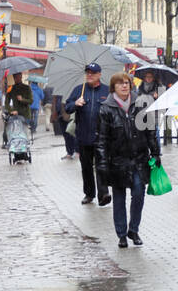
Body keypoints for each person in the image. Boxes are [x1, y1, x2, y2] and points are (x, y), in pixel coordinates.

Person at [95, 73, 160, 248]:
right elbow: (101, 139)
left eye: (126, 83)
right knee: (119, 198)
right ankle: (122, 234)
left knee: (139, 194)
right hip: (117, 161)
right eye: (120, 84)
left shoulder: (141, 104)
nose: (124, 86)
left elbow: (150, 130)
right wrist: (101, 163)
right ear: (113, 87)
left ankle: (134, 229)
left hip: (139, 158)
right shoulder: (106, 108)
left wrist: (155, 153)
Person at [65, 63, 110, 205]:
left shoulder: (107, 91)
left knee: (102, 166)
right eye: (88, 73)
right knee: (86, 167)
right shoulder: (79, 90)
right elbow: (67, 108)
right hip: (83, 136)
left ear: (99, 75)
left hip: (101, 136)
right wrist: (75, 104)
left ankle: (104, 194)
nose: (89, 75)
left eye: (93, 73)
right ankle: (89, 194)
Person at [3, 72, 32, 146]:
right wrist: (11, 111)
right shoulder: (11, 88)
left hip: (25, 114)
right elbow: (6, 103)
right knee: (13, 130)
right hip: (15, 114)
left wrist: (22, 99)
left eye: (19, 77)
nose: (17, 79)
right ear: (13, 78)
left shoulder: (27, 88)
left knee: (25, 131)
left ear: (21, 77)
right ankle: (8, 143)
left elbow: (31, 101)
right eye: (15, 77)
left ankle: (26, 145)